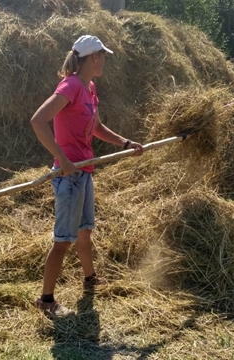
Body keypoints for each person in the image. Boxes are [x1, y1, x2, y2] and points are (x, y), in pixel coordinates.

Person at [30, 35, 143, 317]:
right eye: (103, 55)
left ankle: (90, 278)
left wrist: (126, 143)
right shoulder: (70, 86)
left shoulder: (89, 87)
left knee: (84, 232)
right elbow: (38, 120)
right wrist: (64, 159)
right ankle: (46, 299)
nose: (105, 60)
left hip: (84, 172)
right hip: (69, 176)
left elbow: (96, 127)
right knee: (64, 240)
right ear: (94, 58)